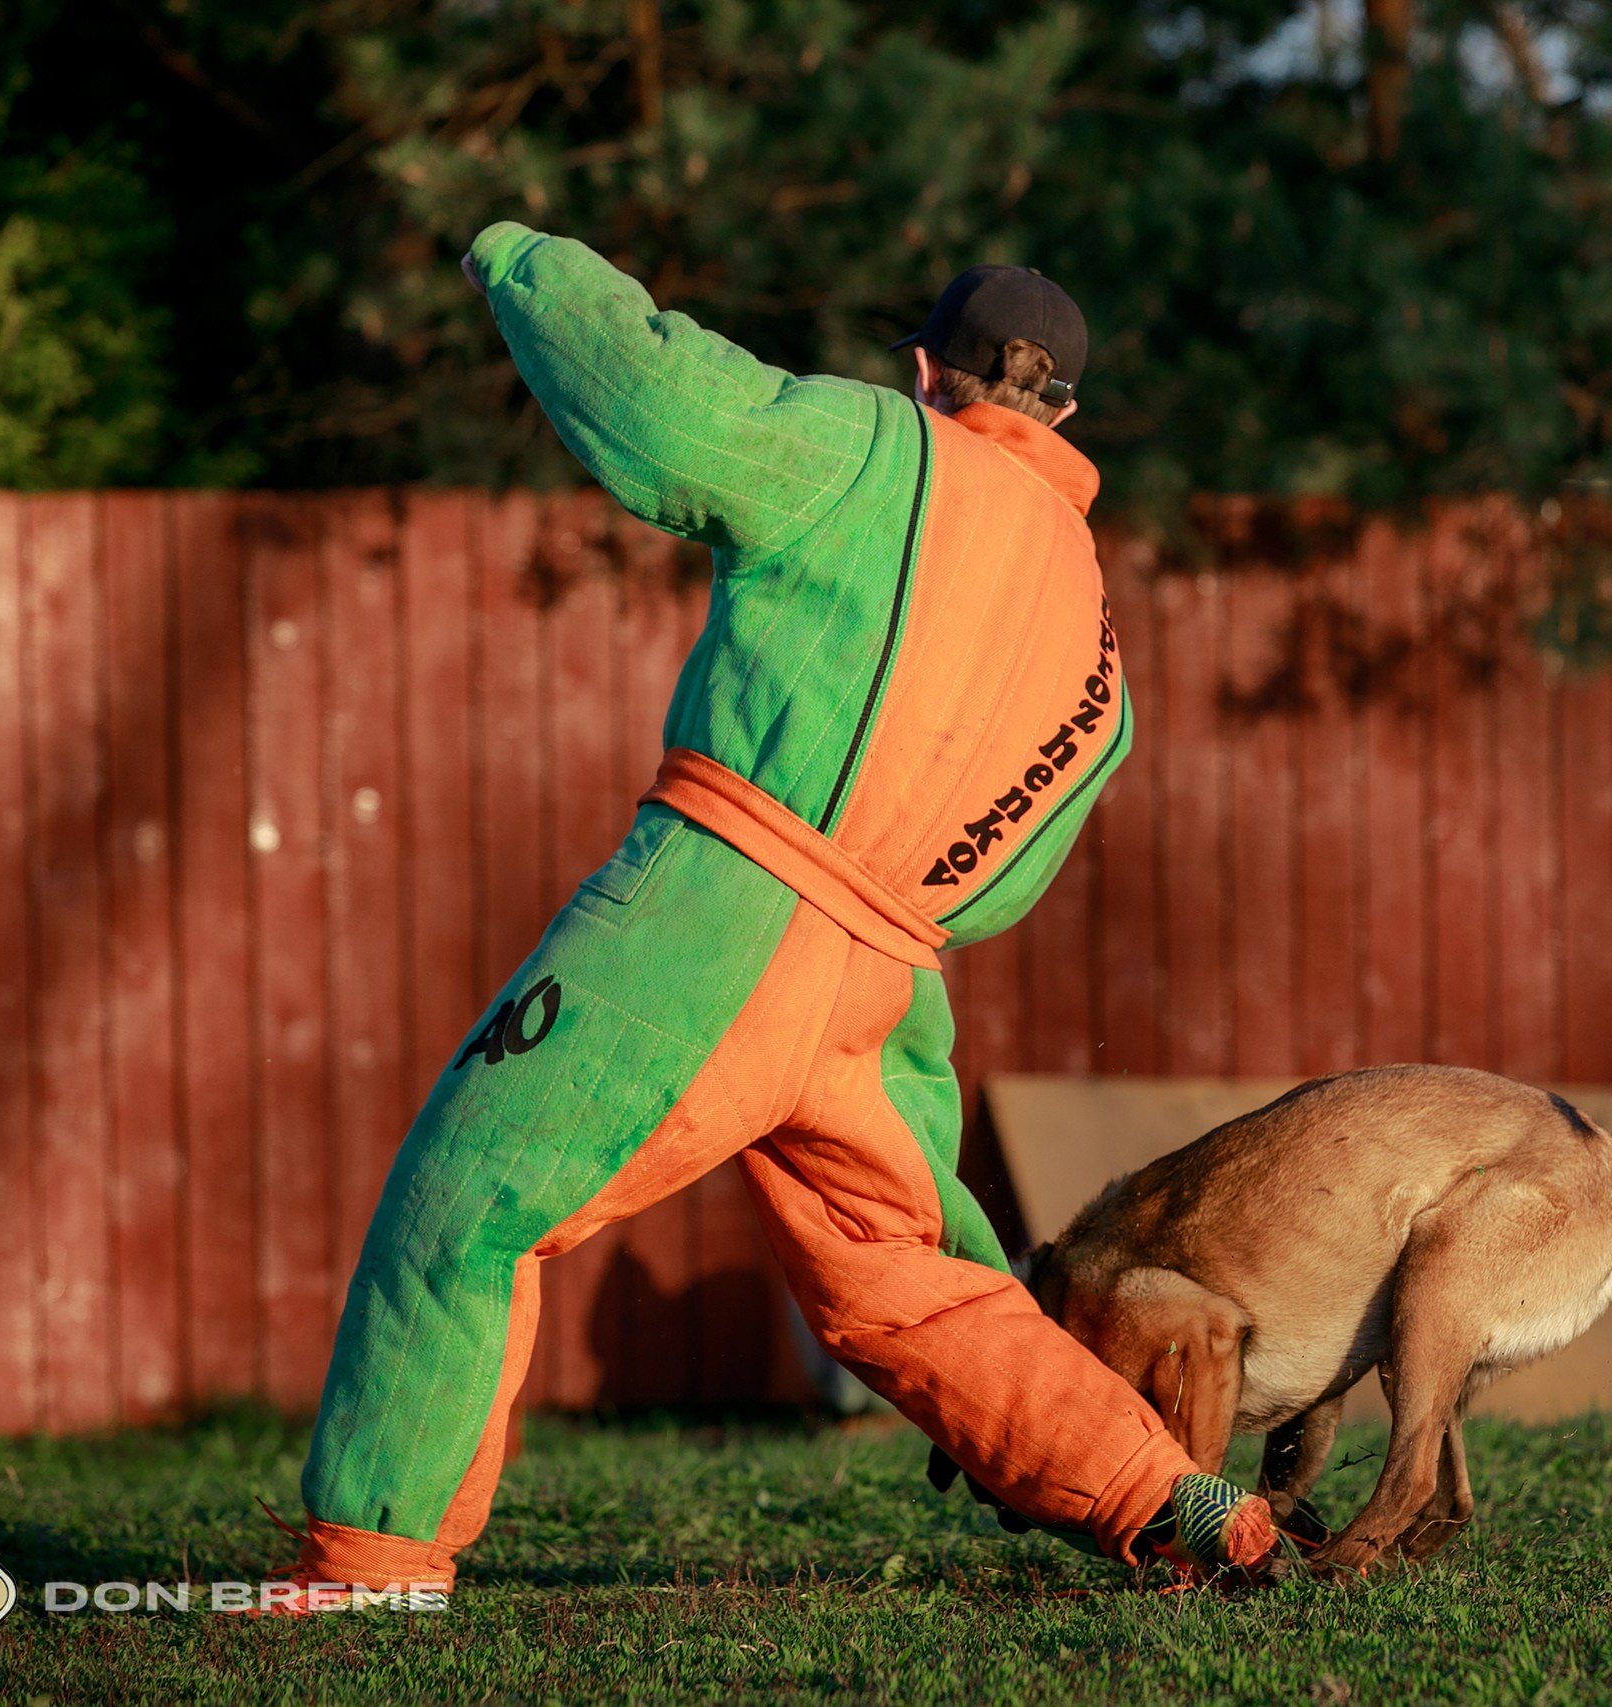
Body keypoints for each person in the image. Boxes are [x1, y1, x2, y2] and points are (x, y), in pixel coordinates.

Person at [263, 225, 1276, 1609]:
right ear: (1066, 414)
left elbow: (657, 393)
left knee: (465, 1204)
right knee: (912, 1282)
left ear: (928, 371)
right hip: (891, 981)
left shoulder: (873, 445)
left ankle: (369, 1566)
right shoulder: (1091, 626)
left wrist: (515, 258)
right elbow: (1035, 848)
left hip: (714, 911)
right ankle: (1178, 1497)